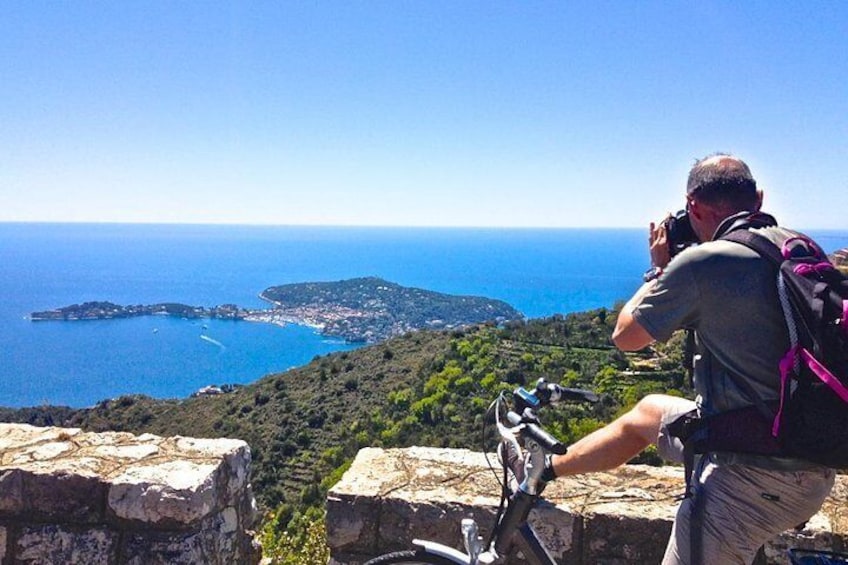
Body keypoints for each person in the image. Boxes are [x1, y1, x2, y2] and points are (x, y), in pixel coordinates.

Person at [545, 153, 836, 564]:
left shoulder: (705, 262)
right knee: (650, 413)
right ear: (759, 199)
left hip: (753, 477)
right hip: (808, 450)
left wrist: (659, 269)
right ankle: (549, 467)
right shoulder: (796, 247)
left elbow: (626, 337)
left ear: (693, 206)